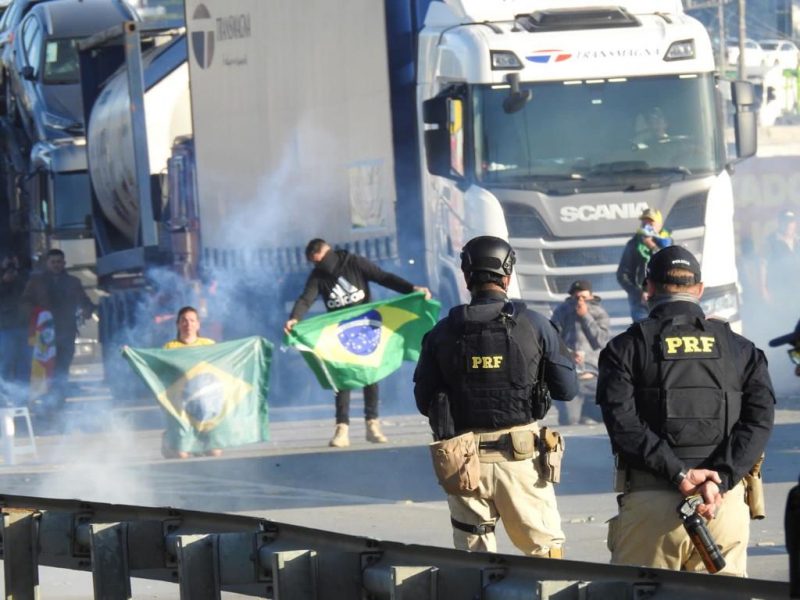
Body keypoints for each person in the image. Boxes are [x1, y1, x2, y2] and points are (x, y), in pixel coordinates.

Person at [597, 245, 775, 575]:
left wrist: (679, 474)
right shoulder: (741, 349)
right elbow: (759, 421)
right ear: (700, 289)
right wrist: (721, 477)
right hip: (719, 505)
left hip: (652, 507)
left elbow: (624, 425)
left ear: (648, 289)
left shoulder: (625, 349)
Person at [413, 235, 578, 557]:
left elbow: (424, 401)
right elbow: (567, 390)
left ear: (466, 277)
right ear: (507, 276)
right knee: (546, 557)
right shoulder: (534, 324)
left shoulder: (441, 332)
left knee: (475, 568)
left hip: (463, 463)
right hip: (521, 461)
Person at [284, 238, 430, 448]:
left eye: (321, 259)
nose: (321, 265)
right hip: (340, 333)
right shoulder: (318, 276)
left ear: (325, 251)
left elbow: (383, 278)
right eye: (316, 262)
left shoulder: (354, 263)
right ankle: (341, 429)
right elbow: (306, 299)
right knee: (341, 378)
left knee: (370, 375)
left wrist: (411, 289)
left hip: (367, 328)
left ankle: (372, 425)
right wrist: (294, 318)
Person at [21, 249, 95, 408]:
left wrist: (87, 310)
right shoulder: (36, 281)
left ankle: (59, 401)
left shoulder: (73, 282)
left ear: (64, 263)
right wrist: (37, 314)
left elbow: (84, 301)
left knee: (62, 368)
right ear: (47, 263)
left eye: (59, 262)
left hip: (66, 332)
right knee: (45, 367)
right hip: (44, 334)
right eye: (53, 262)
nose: (56, 265)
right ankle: (43, 400)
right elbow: (25, 301)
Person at [161, 306, 218, 459]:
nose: (188, 324)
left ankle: (199, 444)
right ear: (178, 324)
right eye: (184, 321)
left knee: (215, 453)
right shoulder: (169, 347)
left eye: (192, 320)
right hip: (181, 402)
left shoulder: (209, 344)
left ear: (198, 324)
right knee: (181, 455)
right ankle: (169, 439)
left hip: (204, 400)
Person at [550, 280, 609, 425]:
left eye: (584, 297)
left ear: (591, 296)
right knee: (569, 420)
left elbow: (601, 341)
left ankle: (588, 410)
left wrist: (585, 316)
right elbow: (553, 339)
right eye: (577, 298)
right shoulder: (561, 311)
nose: (580, 301)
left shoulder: (599, 312)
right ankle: (576, 409)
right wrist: (569, 353)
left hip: (593, 376)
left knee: (608, 416)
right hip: (571, 376)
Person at [616, 208, 672, 322]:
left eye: (651, 222)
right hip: (641, 304)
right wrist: (637, 293)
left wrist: (652, 247)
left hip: (664, 299)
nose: (647, 225)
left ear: (659, 224)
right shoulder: (633, 244)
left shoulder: (668, 242)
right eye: (644, 222)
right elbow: (622, 274)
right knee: (643, 335)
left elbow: (669, 265)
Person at [760, 210, 800, 323]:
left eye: (791, 222)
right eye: (785, 222)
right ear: (779, 223)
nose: (788, 225)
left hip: (797, 291)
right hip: (780, 292)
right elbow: (762, 266)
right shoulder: (770, 241)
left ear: (795, 224)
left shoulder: (798, 240)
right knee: (784, 322)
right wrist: (764, 290)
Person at [0, 257, 28, 393]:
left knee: (24, 363)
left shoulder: (23, 280)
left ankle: (22, 394)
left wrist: (19, 271)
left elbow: (30, 293)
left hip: (23, 326)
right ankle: (4, 395)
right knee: (5, 362)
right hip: (5, 328)